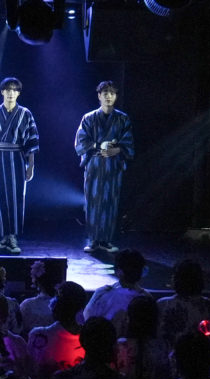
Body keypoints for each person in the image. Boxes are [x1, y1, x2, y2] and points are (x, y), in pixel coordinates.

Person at [0, 76, 39, 254]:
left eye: (14, 90)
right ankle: (4, 236)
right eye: (8, 89)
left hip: (17, 159)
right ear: (2, 92)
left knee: (16, 197)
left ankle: (13, 236)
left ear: (18, 93)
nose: (11, 93)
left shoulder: (26, 114)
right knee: (0, 197)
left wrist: (31, 166)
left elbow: (32, 142)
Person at [74, 80, 135, 253]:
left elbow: (128, 142)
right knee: (93, 201)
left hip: (113, 165)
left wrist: (118, 149)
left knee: (110, 201)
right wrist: (97, 145)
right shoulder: (89, 118)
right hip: (94, 163)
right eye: (105, 93)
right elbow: (81, 141)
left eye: (112, 93)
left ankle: (106, 240)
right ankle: (93, 239)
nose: (109, 96)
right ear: (99, 96)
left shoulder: (122, 118)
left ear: (116, 97)